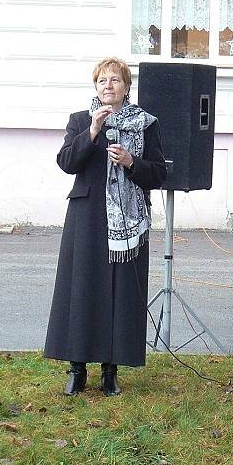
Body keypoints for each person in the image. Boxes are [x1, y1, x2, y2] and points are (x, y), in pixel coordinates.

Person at [44, 57, 167, 396]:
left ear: (127, 87)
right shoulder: (80, 120)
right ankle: (77, 369)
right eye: (102, 81)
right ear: (95, 87)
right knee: (81, 288)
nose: (108, 85)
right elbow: (67, 163)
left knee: (119, 291)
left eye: (115, 80)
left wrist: (132, 162)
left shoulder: (146, 123)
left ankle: (110, 371)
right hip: (86, 217)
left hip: (127, 221)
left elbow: (158, 172)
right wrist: (93, 132)